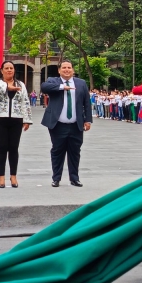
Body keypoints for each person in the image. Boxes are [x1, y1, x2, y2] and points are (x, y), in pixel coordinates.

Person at [41, 59, 92, 187]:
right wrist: (63, 87)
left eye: (69, 67)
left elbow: (86, 102)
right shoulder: (53, 81)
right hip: (58, 125)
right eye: (64, 68)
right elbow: (44, 87)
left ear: (73, 70)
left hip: (76, 124)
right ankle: (56, 178)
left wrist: (88, 120)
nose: (67, 70)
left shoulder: (81, 83)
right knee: (57, 151)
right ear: (59, 70)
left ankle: (74, 178)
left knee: (75, 151)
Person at [0, 61, 33, 189]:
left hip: (16, 119)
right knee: (1, 148)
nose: (9, 70)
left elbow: (25, 101)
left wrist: (27, 119)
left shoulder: (21, 84)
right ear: (1, 70)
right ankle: (1, 176)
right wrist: (7, 88)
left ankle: (13, 175)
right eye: (6, 68)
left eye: (11, 68)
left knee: (14, 148)